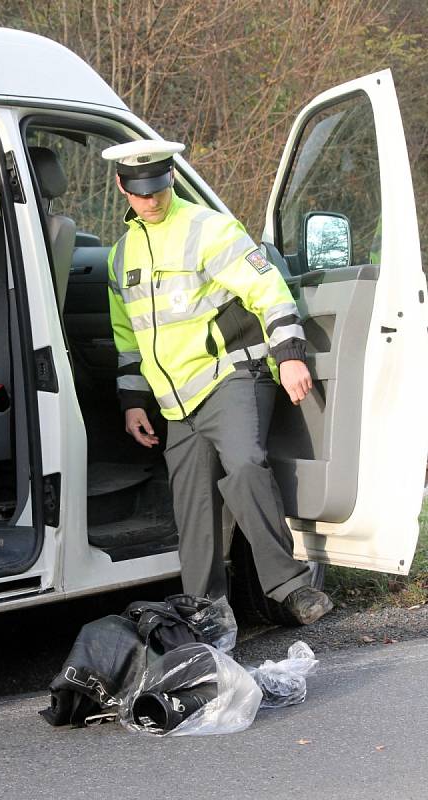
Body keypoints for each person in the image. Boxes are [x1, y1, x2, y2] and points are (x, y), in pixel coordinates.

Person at [102, 139, 333, 625]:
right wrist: (133, 399)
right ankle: (206, 610)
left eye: (160, 186)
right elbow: (128, 337)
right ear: (123, 187)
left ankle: (290, 586)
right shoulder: (119, 257)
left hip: (231, 374)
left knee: (245, 465)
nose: (153, 199)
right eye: (142, 191)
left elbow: (268, 289)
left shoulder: (209, 228)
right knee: (192, 506)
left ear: (170, 178)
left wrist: (289, 353)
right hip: (175, 397)